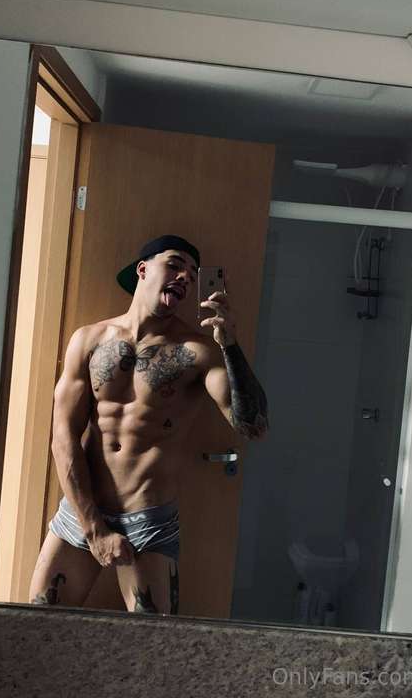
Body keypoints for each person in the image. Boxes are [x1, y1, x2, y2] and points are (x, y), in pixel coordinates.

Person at [29, 235, 268, 614]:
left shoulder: (197, 351)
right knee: (38, 622)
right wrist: (94, 528)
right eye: (174, 265)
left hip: (149, 521)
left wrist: (230, 345)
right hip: (82, 509)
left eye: (193, 274)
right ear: (142, 269)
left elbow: (252, 426)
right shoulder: (89, 341)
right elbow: (63, 438)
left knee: (152, 638)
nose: (185, 277)